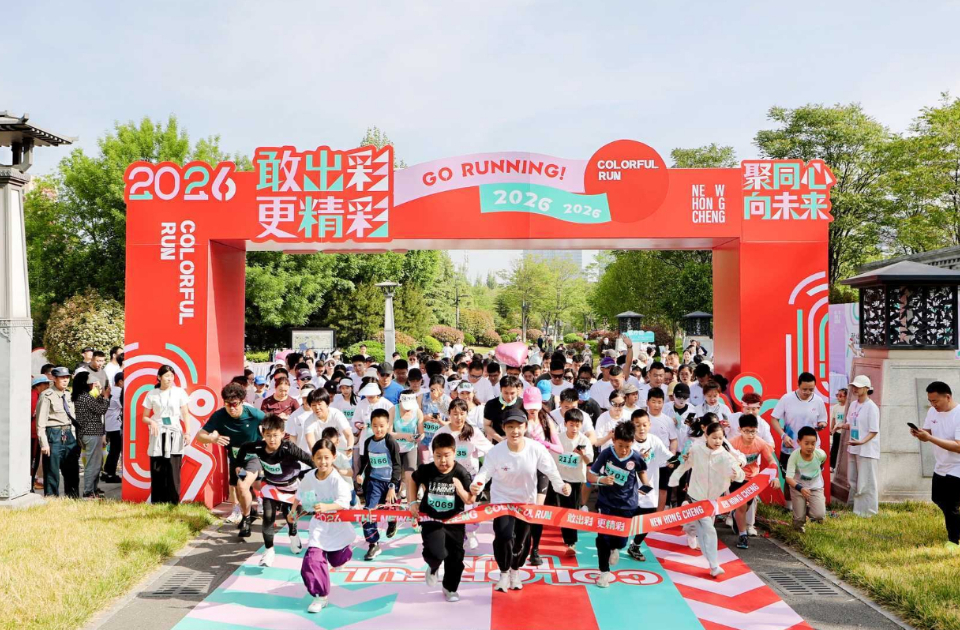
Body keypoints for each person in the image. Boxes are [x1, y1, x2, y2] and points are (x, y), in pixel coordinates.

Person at [470, 408, 571, 592]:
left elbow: (550, 471)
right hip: (502, 501)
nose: (515, 431)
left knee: (521, 542)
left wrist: (561, 486)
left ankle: (515, 570)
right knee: (504, 536)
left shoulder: (536, 449)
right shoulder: (496, 452)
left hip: (526, 502)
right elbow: (484, 473)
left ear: (525, 427)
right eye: (510, 427)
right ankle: (503, 573)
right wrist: (477, 484)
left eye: (519, 426)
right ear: (504, 428)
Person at [668, 422, 745, 577]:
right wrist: (674, 478)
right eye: (714, 438)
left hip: (713, 500)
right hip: (696, 497)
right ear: (707, 436)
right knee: (708, 529)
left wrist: (736, 474)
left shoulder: (725, 455)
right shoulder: (696, 449)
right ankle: (714, 565)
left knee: (703, 529)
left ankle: (689, 528)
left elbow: (740, 474)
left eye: (720, 438)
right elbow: (685, 465)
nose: (717, 441)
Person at [408, 432, 476, 602]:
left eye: (447, 455)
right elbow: (412, 480)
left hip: (454, 523)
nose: (443, 461)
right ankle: (433, 567)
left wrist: (460, 489)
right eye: (438, 456)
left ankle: (450, 588)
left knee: (456, 558)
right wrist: (412, 502)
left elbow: (470, 499)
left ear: (454, 453)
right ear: (433, 454)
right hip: (431, 521)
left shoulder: (461, 472)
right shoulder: (427, 470)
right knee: (437, 552)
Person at [292, 438, 357, 614]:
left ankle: (344, 554)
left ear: (334, 457)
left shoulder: (337, 479)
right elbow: (299, 494)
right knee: (312, 559)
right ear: (313, 458)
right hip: (319, 526)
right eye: (319, 458)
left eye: (327, 457)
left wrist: (327, 507)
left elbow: (344, 502)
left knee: (337, 560)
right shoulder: (309, 477)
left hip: (338, 527)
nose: (323, 462)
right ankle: (320, 596)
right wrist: (293, 511)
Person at [235, 414, 314, 555]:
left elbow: (311, 461)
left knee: (290, 516)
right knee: (268, 516)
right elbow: (244, 448)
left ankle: (293, 534)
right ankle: (269, 550)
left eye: (275, 435)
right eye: (268, 435)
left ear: (282, 434)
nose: (272, 439)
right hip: (271, 486)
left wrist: (318, 479)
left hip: (291, 487)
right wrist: (239, 465)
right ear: (263, 434)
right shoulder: (258, 447)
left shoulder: (289, 448)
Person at [588, 421, 650, 587]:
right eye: (620, 445)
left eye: (627, 447)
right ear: (613, 440)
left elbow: (642, 473)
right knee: (603, 538)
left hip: (627, 505)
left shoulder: (636, 457)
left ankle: (615, 548)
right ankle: (604, 572)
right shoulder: (606, 454)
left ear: (633, 443)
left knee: (620, 541)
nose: (623, 450)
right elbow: (591, 476)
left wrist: (645, 486)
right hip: (606, 503)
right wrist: (602, 480)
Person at [198, 382, 265, 523]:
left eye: (235, 404)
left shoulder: (252, 413)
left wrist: (268, 440)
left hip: (253, 455)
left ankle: (264, 501)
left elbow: (272, 423)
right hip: (235, 457)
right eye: (228, 404)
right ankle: (240, 510)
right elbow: (200, 435)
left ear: (242, 402)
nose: (231, 408)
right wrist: (213, 439)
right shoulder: (219, 415)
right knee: (236, 485)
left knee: (254, 484)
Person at [911, 381, 960, 548]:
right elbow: (928, 432)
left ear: (948, 397)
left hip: (957, 466)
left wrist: (930, 438)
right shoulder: (932, 411)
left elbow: (958, 447)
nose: (933, 404)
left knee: (951, 504)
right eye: (930, 401)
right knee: (937, 498)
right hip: (941, 465)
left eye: (936, 401)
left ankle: (954, 541)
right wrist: (920, 433)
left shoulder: (958, 414)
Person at [522, 387, 563, 566]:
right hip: (523, 469)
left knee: (537, 510)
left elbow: (560, 448)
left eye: (535, 407)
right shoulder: (520, 419)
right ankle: (522, 544)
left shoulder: (546, 420)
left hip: (542, 469)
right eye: (529, 407)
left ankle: (535, 549)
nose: (532, 410)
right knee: (524, 508)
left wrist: (544, 444)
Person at [771, 372, 828, 500]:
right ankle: (789, 506)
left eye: (811, 389)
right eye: (804, 389)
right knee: (789, 477)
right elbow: (774, 419)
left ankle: (811, 504)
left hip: (811, 447)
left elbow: (823, 420)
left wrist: (822, 425)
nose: (807, 392)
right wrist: (783, 436)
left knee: (811, 477)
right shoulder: (787, 398)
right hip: (790, 445)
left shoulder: (818, 401)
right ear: (798, 385)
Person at [728, 414, 779, 548]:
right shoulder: (732, 443)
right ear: (740, 430)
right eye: (746, 431)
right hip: (737, 478)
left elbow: (771, 461)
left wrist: (775, 476)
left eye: (753, 431)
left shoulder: (760, 443)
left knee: (746, 506)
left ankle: (736, 515)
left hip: (753, 479)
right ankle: (742, 535)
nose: (750, 435)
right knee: (742, 505)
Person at [358, 409, 403, 558]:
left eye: (382, 426)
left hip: (390, 482)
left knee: (389, 508)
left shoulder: (391, 442)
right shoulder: (368, 442)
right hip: (374, 482)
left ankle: (392, 520)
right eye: (375, 426)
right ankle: (373, 544)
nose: (378, 429)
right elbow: (365, 462)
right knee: (368, 511)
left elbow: (397, 465)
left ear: (388, 425)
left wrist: (392, 486)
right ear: (371, 425)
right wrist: (360, 474)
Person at [36, 367, 81, 497]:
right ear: (54, 379)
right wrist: (44, 443)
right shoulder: (47, 395)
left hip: (69, 434)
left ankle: (72, 498)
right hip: (53, 434)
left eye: (67, 377)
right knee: (52, 471)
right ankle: (52, 499)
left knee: (72, 470)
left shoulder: (68, 394)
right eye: (62, 377)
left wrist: (77, 439)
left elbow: (72, 418)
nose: (65, 380)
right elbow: (40, 423)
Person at [843, 375, 880, 517]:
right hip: (853, 446)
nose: (855, 389)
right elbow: (851, 423)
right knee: (852, 479)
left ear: (867, 388)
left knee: (866, 480)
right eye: (854, 386)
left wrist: (862, 442)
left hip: (867, 449)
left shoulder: (872, 407)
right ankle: (853, 506)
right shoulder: (853, 404)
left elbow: (874, 430)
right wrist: (841, 426)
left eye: (858, 387)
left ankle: (868, 511)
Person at [73, 371, 111, 498]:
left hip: (90, 433)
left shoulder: (82, 396)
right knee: (92, 464)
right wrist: (106, 397)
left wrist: (101, 395)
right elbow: (101, 409)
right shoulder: (86, 397)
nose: (93, 385)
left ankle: (93, 489)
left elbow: (97, 406)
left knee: (95, 463)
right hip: (92, 434)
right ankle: (88, 491)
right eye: (91, 383)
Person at [784, 425, 827, 532]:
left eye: (813, 443)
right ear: (799, 442)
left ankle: (808, 509)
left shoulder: (821, 454)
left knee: (819, 515)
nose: (810, 447)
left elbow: (822, 463)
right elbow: (788, 478)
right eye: (806, 443)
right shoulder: (794, 456)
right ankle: (799, 516)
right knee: (799, 520)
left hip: (815, 487)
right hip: (798, 487)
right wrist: (800, 488)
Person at [482, 375, 523, 444]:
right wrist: (500, 439)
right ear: (500, 389)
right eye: (506, 393)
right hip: (498, 442)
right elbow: (486, 425)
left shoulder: (523, 404)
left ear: (517, 390)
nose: (509, 397)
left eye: (512, 393)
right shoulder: (491, 404)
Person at [30, 375, 51, 491]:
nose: (47, 386)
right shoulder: (34, 396)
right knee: (33, 461)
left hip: (35, 434)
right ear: (37, 385)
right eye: (45, 384)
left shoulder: (39, 395)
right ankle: (30, 485)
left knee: (35, 460)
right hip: (33, 434)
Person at [102, 371, 124, 484]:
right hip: (116, 425)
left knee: (113, 450)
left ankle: (106, 472)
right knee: (115, 451)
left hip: (109, 424)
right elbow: (123, 406)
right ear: (120, 381)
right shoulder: (119, 392)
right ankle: (110, 474)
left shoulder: (112, 390)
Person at [830, 388, 848, 471]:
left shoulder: (848, 407)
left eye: (840, 395)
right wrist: (831, 428)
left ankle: (842, 467)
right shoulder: (835, 407)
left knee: (844, 450)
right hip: (837, 432)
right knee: (834, 448)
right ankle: (832, 466)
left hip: (846, 432)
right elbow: (833, 419)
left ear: (846, 396)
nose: (838, 397)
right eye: (837, 395)